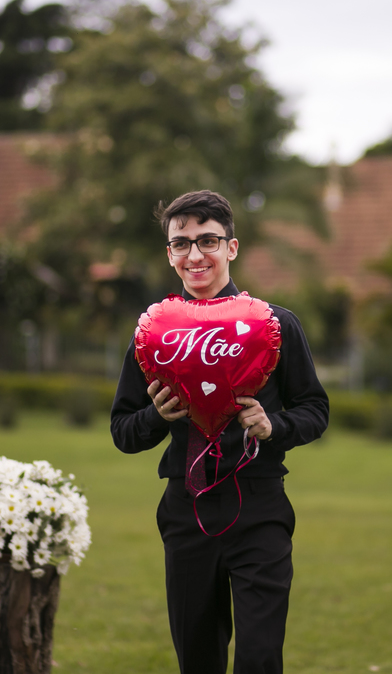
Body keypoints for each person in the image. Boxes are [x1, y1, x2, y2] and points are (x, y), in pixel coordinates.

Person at [110, 190, 329, 674]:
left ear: (231, 247)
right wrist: (156, 416)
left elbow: (316, 409)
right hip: (185, 513)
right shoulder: (154, 333)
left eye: (207, 240)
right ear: (169, 254)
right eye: (181, 243)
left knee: (259, 657)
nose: (194, 255)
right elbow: (123, 431)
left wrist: (275, 427)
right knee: (199, 660)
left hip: (260, 508)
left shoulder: (274, 325)